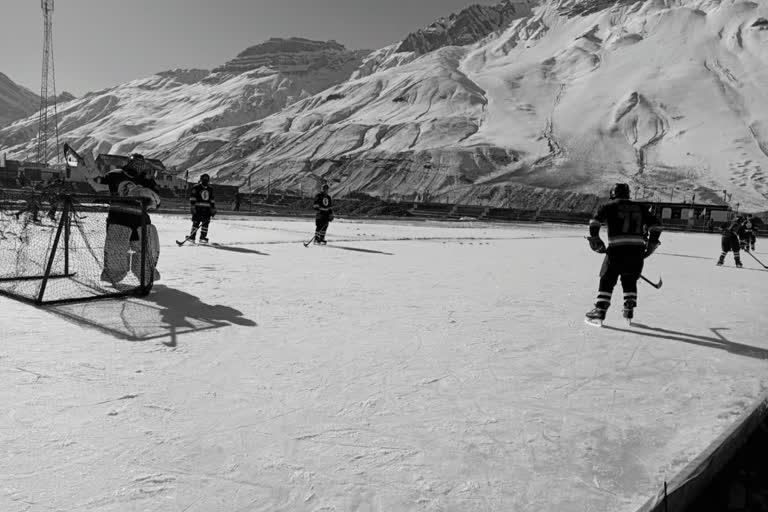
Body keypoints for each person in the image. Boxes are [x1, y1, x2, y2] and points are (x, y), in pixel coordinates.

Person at [585, 183, 663, 325]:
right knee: (630, 279)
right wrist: (651, 245)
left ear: (613, 194)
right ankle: (629, 308)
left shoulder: (608, 206)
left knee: (607, 279)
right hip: (637, 251)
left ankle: (600, 310)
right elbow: (656, 226)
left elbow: (594, 222)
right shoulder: (641, 207)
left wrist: (595, 238)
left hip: (616, 250)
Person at [100, 153, 161, 287]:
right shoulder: (114, 175)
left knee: (145, 249)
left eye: (141, 163)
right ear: (128, 163)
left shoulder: (148, 180)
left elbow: (157, 202)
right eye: (135, 162)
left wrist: (150, 198)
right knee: (116, 248)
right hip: (118, 218)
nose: (138, 166)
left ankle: (145, 275)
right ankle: (113, 275)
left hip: (140, 221)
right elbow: (98, 188)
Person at [186, 173, 216, 243]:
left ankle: (197, 237)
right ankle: (198, 237)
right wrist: (213, 208)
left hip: (202, 210)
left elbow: (212, 200)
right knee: (200, 224)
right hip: (202, 210)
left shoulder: (198, 187)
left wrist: (213, 208)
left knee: (200, 224)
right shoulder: (207, 188)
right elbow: (212, 200)